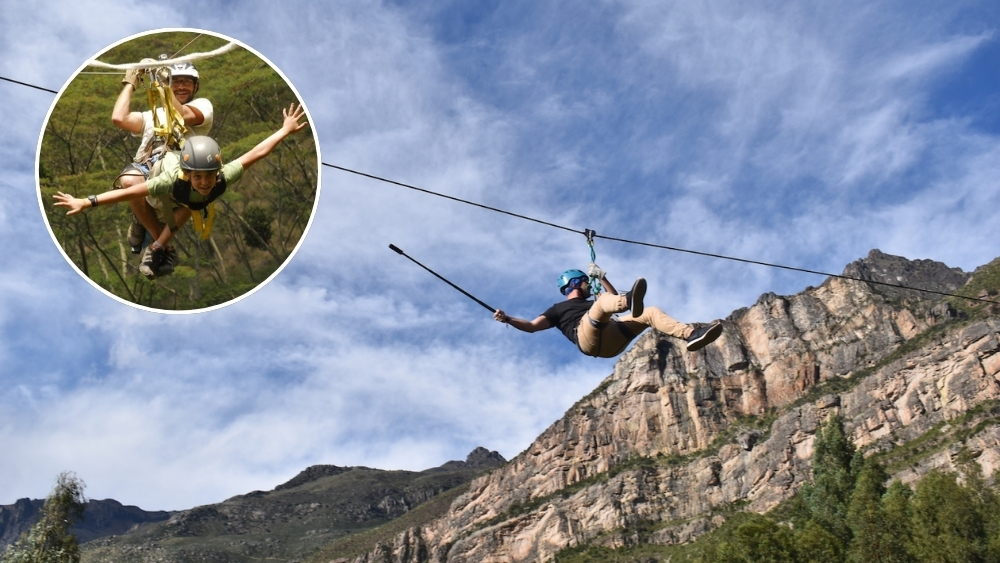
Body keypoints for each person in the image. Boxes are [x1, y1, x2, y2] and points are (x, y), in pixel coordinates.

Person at [54, 103, 309, 279]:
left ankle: (156, 248)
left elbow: (257, 153)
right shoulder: (169, 179)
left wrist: (285, 130)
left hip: (181, 205)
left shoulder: (221, 178)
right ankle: (145, 227)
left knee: (196, 203)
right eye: (198, 176)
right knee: (139, 188)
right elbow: (126, 194)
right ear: (187, 173)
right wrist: (87, 202)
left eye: (209, 176)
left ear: (217, 172)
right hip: (156, 193)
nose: (205, 182)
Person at [493, 265, 723, 358]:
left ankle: (691, 335)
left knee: (649, 311)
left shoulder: (597, 299)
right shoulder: (558, 309)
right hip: (587, 338)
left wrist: (602, 277)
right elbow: (532, 327)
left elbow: (609, 298)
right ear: (575, 284)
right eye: (586, 282)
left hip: (611, 335)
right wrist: (508, 318)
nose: (589, 286)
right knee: (603, 302)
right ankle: (629, 301)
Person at [112, 60, 214, 255]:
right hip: (148, 167)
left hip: (182, 171)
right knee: (128, 180)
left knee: (198, 192)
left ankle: (155, 243)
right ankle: (160, 245)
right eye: (176, 82)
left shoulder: (202, 106)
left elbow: (180, 114)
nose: (181, 86)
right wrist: (131, 81)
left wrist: (164, 84)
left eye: (187, 82)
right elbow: (119, 118)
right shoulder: (153, 114)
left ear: (196, 86)